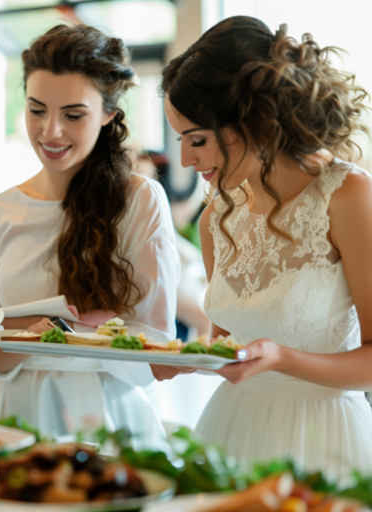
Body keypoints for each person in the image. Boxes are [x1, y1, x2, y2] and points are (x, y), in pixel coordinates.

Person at [159, 16, 372, 475]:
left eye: (197, 139)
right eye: (181, 140)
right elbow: (226, 344)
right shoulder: (219, 211)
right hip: (231, 426)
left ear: (254, 119)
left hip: (323, 440)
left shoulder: (348, 196)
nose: (185, 160)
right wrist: (180, 359)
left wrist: (282, 359)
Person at [0, 25, 180, 445]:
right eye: (37, 109)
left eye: (73, 115)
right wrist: (31, 334)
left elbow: (159, 347)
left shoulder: (139, 200)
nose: (50, 132)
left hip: (106, 411)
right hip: (16, 415)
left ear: (108, 114)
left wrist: (74, 334)